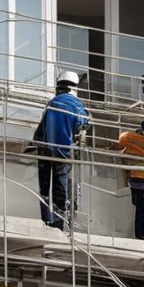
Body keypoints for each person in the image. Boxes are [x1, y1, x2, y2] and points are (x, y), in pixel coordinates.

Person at [32, 71, 90, 230]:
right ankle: (58, 225)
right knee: (61, 189)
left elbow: (40, 129)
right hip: (62, 152)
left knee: (44, 189)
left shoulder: (51, 103)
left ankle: (46, 221)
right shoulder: (77, 105)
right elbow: (83, 125)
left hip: (44, 150)